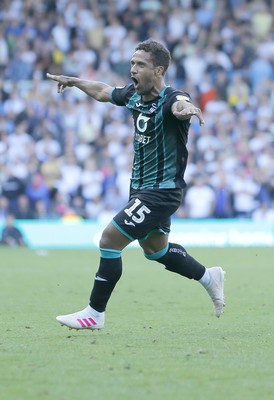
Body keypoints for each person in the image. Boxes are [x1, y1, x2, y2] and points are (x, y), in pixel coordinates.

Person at [47, 39, 225, 331]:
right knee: (155, 250)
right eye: (132, 63)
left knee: (108, 240)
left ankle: (95, 313)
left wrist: (188, 110)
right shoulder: (133, 95)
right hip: (141, 189)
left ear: (158, 70)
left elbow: (181, 105)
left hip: (162, 191)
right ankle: (209, 277)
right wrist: (76, 81)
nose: (132, 69)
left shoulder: (171, 98)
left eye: (140, 64)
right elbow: (104, 91)